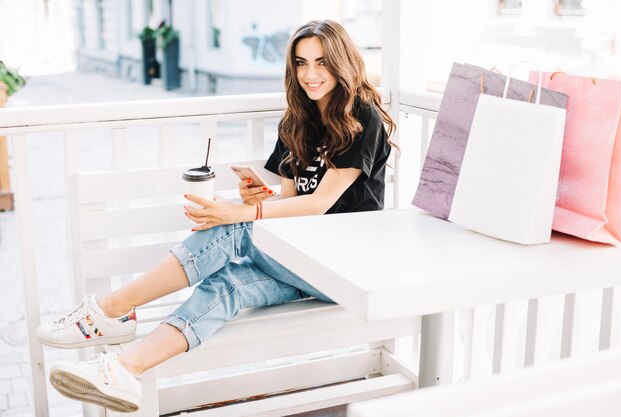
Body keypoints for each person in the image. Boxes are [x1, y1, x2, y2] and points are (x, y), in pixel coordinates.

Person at [37, 19, 397, 413]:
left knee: (235, 227)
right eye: (301, 63)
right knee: (228, 285)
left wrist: (243, 211)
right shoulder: (297, 120)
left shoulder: (363, 117)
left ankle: (111, 309)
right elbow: (295, 199)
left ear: (342, 62)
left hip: (345, 269)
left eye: (322, 63)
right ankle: (124, 371)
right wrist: (263, 197)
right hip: (301, 259)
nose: (310, 74)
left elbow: (319, 204)